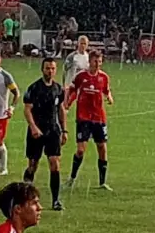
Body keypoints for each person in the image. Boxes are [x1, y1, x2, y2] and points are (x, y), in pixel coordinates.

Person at [22, 56, 68, 211]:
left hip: (53, 131)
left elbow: (61, 109)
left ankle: (56, 200)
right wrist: (33, 127)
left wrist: (64, 130)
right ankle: (25, 196)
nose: (50, 71)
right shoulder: (34, 88)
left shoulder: (58, 89)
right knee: (33, 165)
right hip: (37, 131)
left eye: (53, 68)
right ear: (42, 69)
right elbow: (27, 110)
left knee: (54, 164)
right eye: (47, 68)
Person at [67, 50, 115, 191]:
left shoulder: (104, 77)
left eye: (100, 62)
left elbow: (106, 90)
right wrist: (68, 103)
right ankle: (72, 178)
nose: (98, 64)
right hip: (83, 117)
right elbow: (73, 90)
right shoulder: (81, 76)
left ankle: (102, 182)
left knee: (102, 148)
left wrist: (109, 97)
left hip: (99, 117)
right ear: (90, 61)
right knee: (81, 150)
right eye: (95, 61)